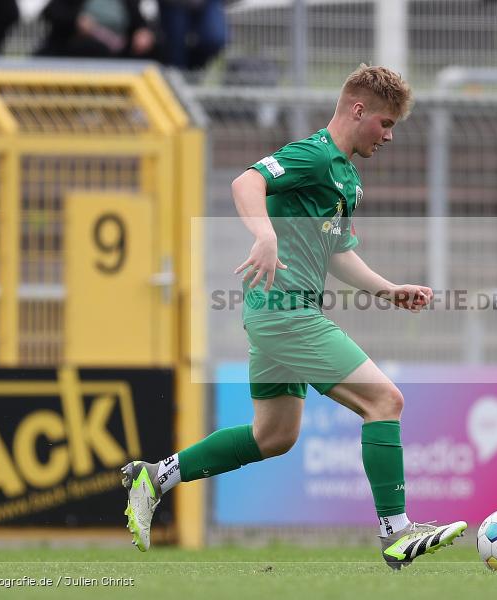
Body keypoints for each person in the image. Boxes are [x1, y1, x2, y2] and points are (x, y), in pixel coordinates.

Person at [121, 64, 467, 569]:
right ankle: (397, 531)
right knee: (385, 401)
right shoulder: (314, 154)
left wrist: (388, 290)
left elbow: (339, 253)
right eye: (386, 123)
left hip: (279, 312)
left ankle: (154, 477)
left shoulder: (345, 175)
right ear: (358, 109)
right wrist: (264, 234)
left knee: (274, 436)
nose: (389, 135)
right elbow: (246, 183)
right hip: (285, 313)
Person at [36, 0, 156, 59]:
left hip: (117, 53)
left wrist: (143, 32)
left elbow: (140, 23)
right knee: (92, 47)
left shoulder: (128, 3)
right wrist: (76, 21)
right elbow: (50, 12)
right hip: (76, 50)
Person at [157, 0, 227, 70]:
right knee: (176, 50)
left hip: (208, 3)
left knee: (215, 39)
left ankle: (194, 70)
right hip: (173, 4)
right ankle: (182, 73)